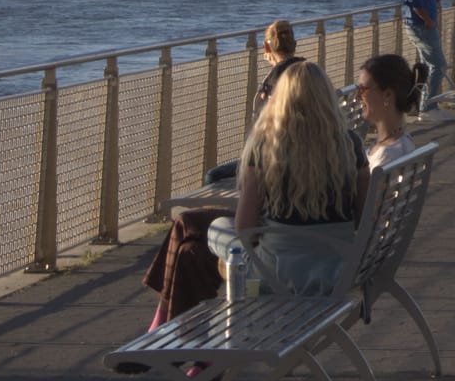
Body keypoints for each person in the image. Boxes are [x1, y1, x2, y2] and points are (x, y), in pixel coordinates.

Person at [141, 60, 364, 323]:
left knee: (206, 236)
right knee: (190, 249)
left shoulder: (266, 145)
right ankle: (182, 342)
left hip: (275, 272)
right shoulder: (351, 145)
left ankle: (170, 331)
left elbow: (243, 230)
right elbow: (364, 215)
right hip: (335, 269)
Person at [399, 0, 455, 125]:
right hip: (421, 25)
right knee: (438, 65)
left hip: (422, 23)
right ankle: (427, 108)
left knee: (426, 67)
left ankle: (421, 105)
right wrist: (427, 18)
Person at [357, 52, 420, 168]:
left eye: (363, 89)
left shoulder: (386, 157)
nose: (357, 96)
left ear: (387, 95)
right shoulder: (405, 141)